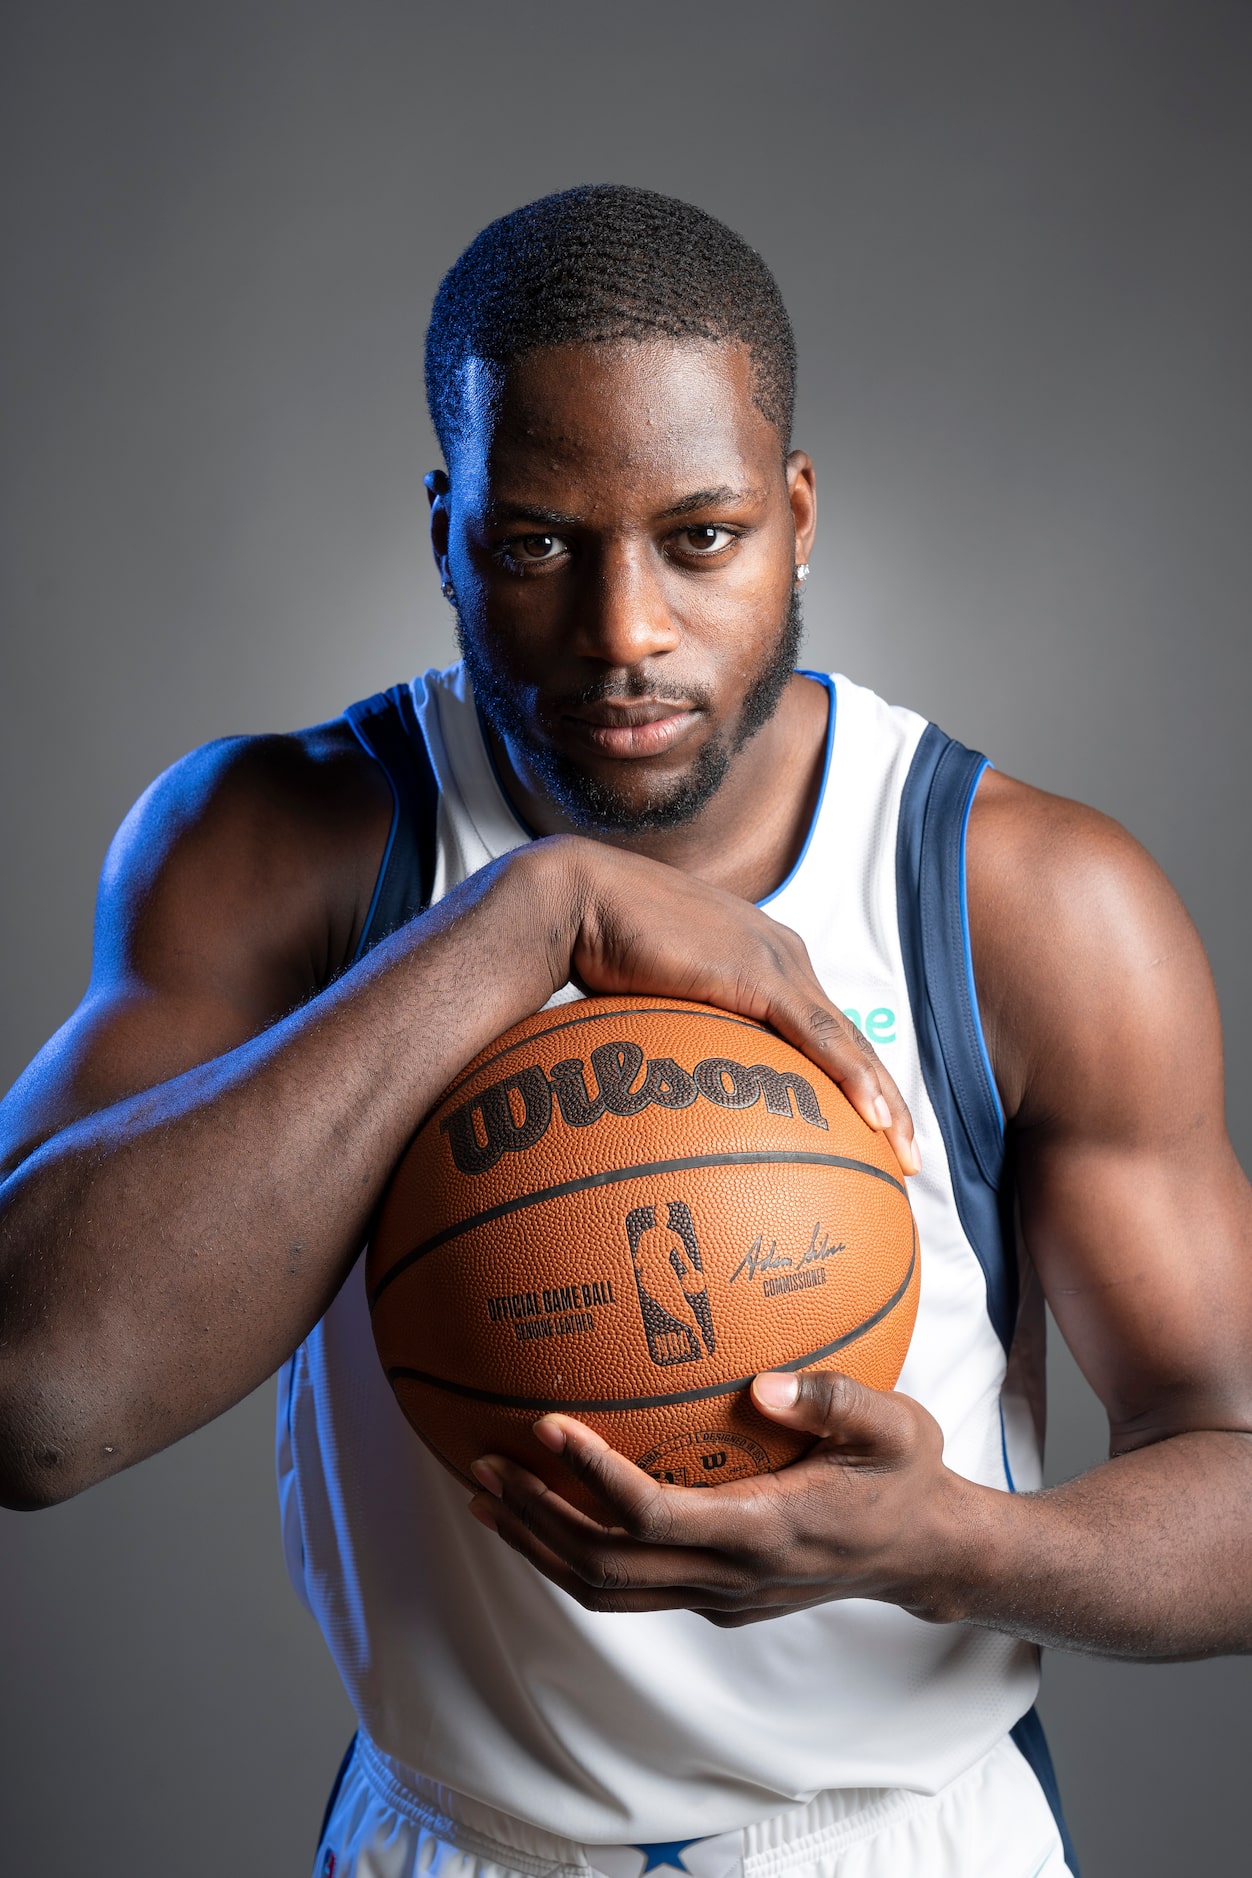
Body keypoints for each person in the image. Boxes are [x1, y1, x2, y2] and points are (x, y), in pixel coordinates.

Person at [0, 185, 1248, 1878]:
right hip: (463, 1837)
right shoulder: (286, 848)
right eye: (535, 545)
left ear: (798, 517)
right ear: (442, 529)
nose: (625, 633)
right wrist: (531, 913)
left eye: (702, 537)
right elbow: (31, 1398)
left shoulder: (1018, 896)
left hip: (897, 1839)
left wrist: (944, 1539)